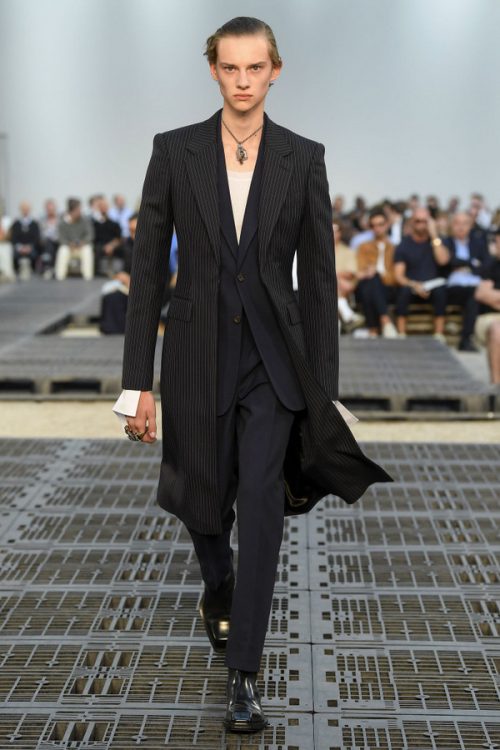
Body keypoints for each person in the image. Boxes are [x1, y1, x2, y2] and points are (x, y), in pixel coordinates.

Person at [111, 16, 392, 734]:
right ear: (214, 70)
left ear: (275, 70)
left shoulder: (303, 157)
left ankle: (244, 674)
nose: (243, 81)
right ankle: (219, 583)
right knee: (201, 502)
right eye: (231, 68)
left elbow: (319, 279)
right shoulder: (174, 150)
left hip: (273, 360)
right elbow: (147, 272)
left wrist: (323, 392)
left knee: (261, 503)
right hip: (196, 353)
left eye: (255, 68)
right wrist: (136, 384)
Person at [393, 207, 450, 340]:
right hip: (412, 285)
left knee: (441, 291)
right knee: (403, 292)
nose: (421, 225)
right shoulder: (404, 245)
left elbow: (443, 260)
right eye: (418, 221)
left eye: (425, 221)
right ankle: (401, 333)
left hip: (434, 285)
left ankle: (439, 334)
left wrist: (434, 235)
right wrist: (414, 285)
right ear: (412, 222)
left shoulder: (439, 241)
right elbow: (399, 275)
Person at [444, 212, 491, 351]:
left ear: (470, 226)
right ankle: (466, 339)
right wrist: (471, 263)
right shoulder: (446, 242)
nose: (461, 227)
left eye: (465, 223)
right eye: (457, 223)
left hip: (477, 284)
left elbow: (486, 264)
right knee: (474, 295)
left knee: (480, 293)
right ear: (452, 225)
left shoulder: (478, 243)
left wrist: (465, 265)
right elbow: (447, 261)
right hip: (453, 287)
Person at [355, 209, 397, 337]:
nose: (377, 228)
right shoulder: (364, 247)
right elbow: (360, 270)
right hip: (369, 283)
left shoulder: (394, 248)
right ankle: (385, 319)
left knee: (372, 283)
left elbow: (395, 276)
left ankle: (373, 329)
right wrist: (369, 273)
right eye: (373, 225)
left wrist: (379, 274)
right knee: (371, 283)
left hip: (388, 288)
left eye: (380, 224)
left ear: (387, 225)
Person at [474, 228, 500, 387]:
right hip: (490, 317)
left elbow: (489, 294)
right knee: (497, 329)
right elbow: (481, 294)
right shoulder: (490, 265)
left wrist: (495, 296)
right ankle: (496, 386)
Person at [55, 198, 95, 280]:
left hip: (82, 246)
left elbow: (90, 235)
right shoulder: (62, 222)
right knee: (62, 250)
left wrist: (83, 242)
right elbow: (61, 238)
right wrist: (69, 244)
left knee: (87, 250)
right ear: (71, 211)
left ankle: (88, 277)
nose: (80, 211)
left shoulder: (85, 221)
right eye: (78, 210)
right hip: (69, 247)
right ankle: (60, 276)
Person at [10, 201, 40, 278]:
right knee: (14, 254)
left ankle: (31, 269)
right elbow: (13, 238)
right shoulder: (16, 223)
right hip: (19, 248)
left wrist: (29, 247)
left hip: (31, 248)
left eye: (27, 209)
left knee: (34, 253)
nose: (25, 210)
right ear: (20, 210)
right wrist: (20, 247)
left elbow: (36, 238)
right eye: (23, 209)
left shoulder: (34, 224)